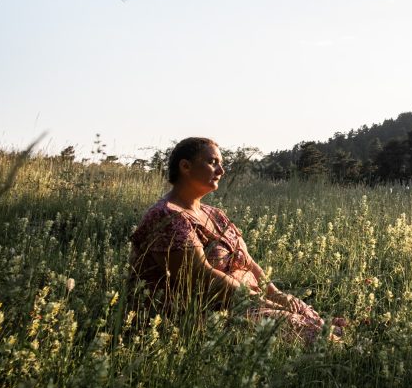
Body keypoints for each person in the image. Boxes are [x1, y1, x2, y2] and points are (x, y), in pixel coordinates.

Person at [129, 137, 341, 342]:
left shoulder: (215, 214)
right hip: (204, 313)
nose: (221, 171)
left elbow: (247, 261)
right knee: (305, 330)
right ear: (185, 166)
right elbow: (200, 276)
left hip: (245, 300)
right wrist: (261, 301)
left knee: (306, 314)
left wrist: (276, 295)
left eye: (221, 164)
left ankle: (340, 342)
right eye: (213, 163)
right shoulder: (167, 215)